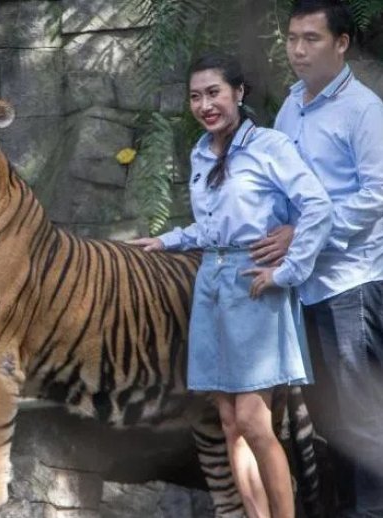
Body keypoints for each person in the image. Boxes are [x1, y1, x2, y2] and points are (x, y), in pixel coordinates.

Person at [129, 53, 331, 518]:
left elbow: (318, 208)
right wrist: (168, 240)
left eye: (213, 93)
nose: (205, 105)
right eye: (195, 97)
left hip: (254, 285)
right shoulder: (201, 151)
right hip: (212, 285)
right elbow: (212, 227)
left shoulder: (269, 146)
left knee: (254, 422)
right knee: (229, 423)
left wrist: (286, 272)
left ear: (238, 93)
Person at [248, 1, 383, 515]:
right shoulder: (290, 107)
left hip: (353, 282)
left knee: (363, 413)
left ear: (342, 43)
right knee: (332, 418)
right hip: (306, 283)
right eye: (292, 39)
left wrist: (303, 233)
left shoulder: (364, 110)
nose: (298, 50)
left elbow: (376, 195)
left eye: (312, 39)